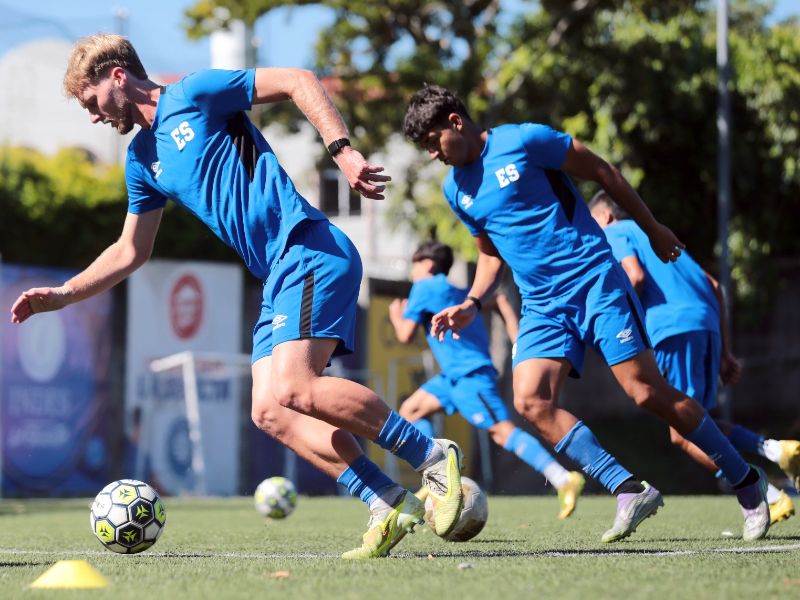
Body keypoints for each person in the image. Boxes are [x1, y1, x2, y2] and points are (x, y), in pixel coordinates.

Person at [9, 34, 466, 559]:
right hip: (277, 274)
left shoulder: (194, 94)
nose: (92, 116)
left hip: (308, 248)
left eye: (90, 101)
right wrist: (64, 294)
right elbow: (130, 250)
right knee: (270, 410)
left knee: (296, 386)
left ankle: (433, 456)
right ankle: (386, 499)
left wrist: (342, 152)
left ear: (117, 77)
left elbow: (297, 80)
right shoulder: (140, 159)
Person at [402, 84, 771, 542]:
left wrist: (653, 229)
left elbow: (604, 172)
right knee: (530, 401)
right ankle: (629, 489)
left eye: (433, 141)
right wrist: (472, 303)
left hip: (594, 279)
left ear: (456, 122)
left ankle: (746, 480)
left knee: (645, 392)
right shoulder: (455, 190)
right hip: (541, 305)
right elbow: (490, 253)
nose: (433, 154)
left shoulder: (525, 140)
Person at [589, 191, 799, 524]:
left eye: (592, 223)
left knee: (682, 432)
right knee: (700, 421)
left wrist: (621, 326)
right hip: (706, 324)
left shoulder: (614, 232)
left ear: (604, 216)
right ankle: (774, 450)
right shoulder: (653, 232)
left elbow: (634, 275)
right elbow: (714, 286)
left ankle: (768, 496)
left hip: (673, 328)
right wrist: (725, 351)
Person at [389, 240, 585, 519]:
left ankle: (563, 478)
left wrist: (396, 316)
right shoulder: (458, 291)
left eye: (415, 265)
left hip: (471, 376)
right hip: (451, 378)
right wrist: (515, 334)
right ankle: (440, 472)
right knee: (410, 410)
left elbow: (405, 335)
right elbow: (498, 299)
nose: (413, 272)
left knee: (503, 432)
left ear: (428, 265)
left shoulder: (424, 287)